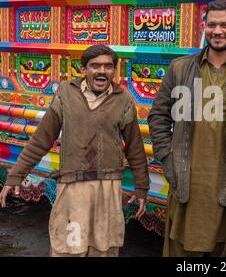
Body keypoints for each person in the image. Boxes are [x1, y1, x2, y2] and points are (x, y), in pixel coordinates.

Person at [0, 45, 149, 257]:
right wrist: (15, 176)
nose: (102, 71)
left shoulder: (123, 100)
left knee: (104, 247)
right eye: (95, 66)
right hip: (72, 185)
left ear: (115, 71)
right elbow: (42, 139)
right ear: (83, 69)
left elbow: (135, 147)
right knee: (69, 247)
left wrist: (141, 187)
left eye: (108, 66)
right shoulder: (66, 94)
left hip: (107, 186)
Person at [148, 0, 226, 257]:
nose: (217, 30)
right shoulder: (180, 69)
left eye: (224, 25)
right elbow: (158, 117)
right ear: (203, 27)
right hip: (186, 183)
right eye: (212, 24)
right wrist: (168, 160)